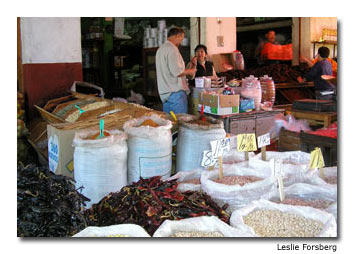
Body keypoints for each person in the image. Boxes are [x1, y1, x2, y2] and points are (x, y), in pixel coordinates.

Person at [155, 27, 197, 114]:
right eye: (181, 39)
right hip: (175, 94)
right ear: (178, 35)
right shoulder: (172, 49)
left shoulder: (160, 50)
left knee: (170, 124)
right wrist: (191, 71)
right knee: (179, 124)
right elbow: (177, 72)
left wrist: (189, 66)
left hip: (165, 95)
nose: (181, 42)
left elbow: (171, 70)